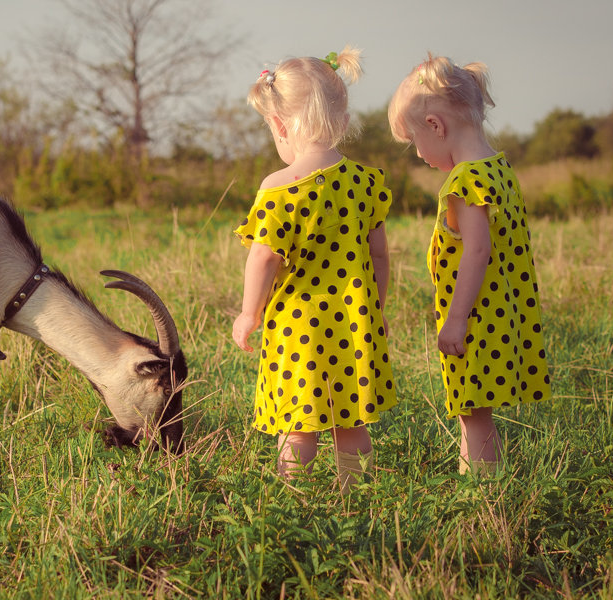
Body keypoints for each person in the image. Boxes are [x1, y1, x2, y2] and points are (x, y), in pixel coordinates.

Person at [232, 47, 395, 490]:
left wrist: (249, 313)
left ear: (281, 125)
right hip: (355, 325)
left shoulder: (278, 188)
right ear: (342, 121)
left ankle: (294, 497)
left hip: (295, 328)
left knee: (298, 425)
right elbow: (380, 255)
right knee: (352, 424)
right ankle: (354, 496)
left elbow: (264, 257)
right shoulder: (368, 182)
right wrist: (375, 306)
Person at [387, 54, 551, 477]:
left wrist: (456, 320)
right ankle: (488, 484)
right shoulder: (499, 168)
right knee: (478, 412)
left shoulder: (465, 181)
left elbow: (477, 251)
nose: (418, 153)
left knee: (472, 411)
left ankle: (481, 493)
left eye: (414, 141)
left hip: (477, 316)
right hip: (505, 311)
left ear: (436, 126)